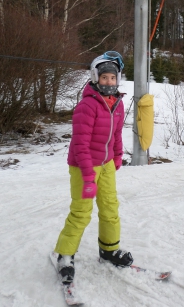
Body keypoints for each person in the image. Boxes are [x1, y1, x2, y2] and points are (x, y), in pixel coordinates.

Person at [53, 51, 133, 285]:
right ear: (95, 77)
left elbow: (116, 134)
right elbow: (80, 143)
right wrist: (88, 173)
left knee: (110, 207)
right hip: (83, 165)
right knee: (81, 212)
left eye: (113, 77)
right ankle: (65, 256)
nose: (109, 82)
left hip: (106, 164)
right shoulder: (87, 105)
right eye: (104, 77)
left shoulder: (117, 103)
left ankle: (109, 250)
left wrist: (117, 156)